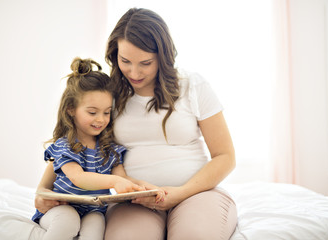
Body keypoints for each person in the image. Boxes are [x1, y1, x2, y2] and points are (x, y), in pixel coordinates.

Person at [35, 8, 237, 240]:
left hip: (196, 194)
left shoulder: (193, 86)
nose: (134, 72)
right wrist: (42, 190)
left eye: (145, 63)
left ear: (163, 56)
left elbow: (225, 156)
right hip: (134, 201)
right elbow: (72, 143)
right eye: (125, 61)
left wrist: (181, 193)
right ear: (114, 54)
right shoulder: (108, 95)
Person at [32, 57, 151, 240]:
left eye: (106, 112)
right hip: (61, 208)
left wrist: (145, 187)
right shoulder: (65, 146)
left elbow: (122, 178)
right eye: (92, 112)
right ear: (71, 109)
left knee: (96, 228)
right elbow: (78, 178)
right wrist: (114, 182)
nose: (101, 120)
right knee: (67, 221)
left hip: (93, 210)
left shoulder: (109, 150)